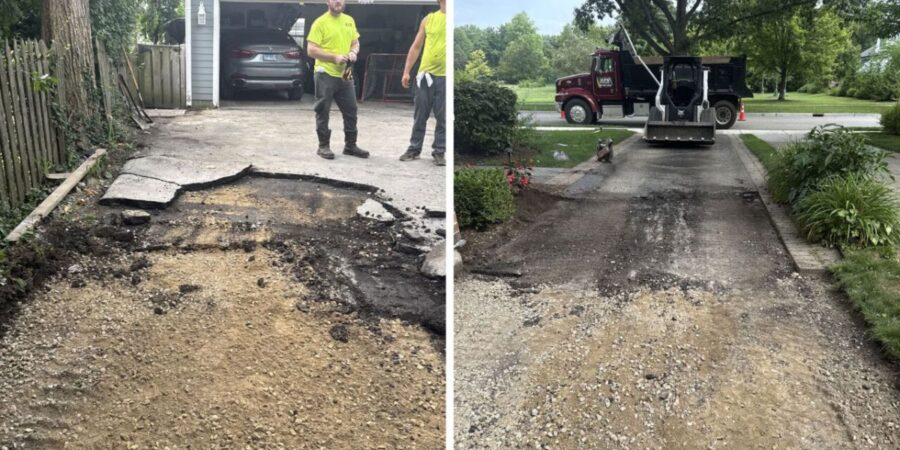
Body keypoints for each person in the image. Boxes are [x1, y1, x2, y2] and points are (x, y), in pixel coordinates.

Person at [306, 0, 368, 160]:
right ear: (328, 1)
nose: (339, 1)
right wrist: (334, 57)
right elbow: (311, 50)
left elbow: (355, 42)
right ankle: (323, 146)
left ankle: (350, 145)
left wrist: (354, 51)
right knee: (323, 110)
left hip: (346, 72)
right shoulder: (320, 22)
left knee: (351, 110)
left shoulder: (349, 20)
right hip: (325, 73)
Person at [398, 0, 446, 166]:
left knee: (443, 117)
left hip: (445, 77)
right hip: (425, 76)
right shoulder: (429, 19)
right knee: (420, 115)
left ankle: (439, 151)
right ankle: (414, 149)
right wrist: (406, 71)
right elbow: (416, 47)